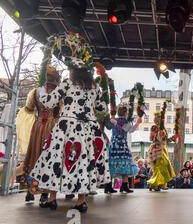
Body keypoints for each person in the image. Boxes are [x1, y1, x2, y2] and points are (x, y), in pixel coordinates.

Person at [30, 58, 111, 213]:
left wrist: (41, 91)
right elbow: (102, 109)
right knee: (84, 161)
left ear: (73, 71)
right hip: (88, 128)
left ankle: (52, 199)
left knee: (56, 159)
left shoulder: (67, 83)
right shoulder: (94, 86)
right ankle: (81, 201)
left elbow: (49, 102)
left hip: (66, 126)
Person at [20, 67, 61, 205]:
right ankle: (45, 192)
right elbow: (61, 111)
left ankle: (30, 191)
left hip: (38, 126)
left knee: (34, 156)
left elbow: (29, 108)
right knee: (48, 157)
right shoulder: (59, 93)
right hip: (53, 127)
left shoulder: (36, 91)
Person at [106, 105, 141, 194]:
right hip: (122, 145)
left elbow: (108, 126)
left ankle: (108, 186)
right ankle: (124, 186)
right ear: (125, 113)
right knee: (126, 164)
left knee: (111, 163)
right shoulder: (126, 122)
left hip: (114, 144)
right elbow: (131, 130)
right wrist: (137, 123)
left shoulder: (114, 120)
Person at [146, 112, 176, 191]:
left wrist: (171, 139)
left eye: (161, 118)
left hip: (163, 149)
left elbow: (165, 140)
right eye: (158, 118)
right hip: (157, 149)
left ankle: (161, 184)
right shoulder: (154, 127)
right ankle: (154, 184)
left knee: (164, 165)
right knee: (160, 166)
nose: (161, 120)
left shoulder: (164, 128)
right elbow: (152, 138)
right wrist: (158, 135)